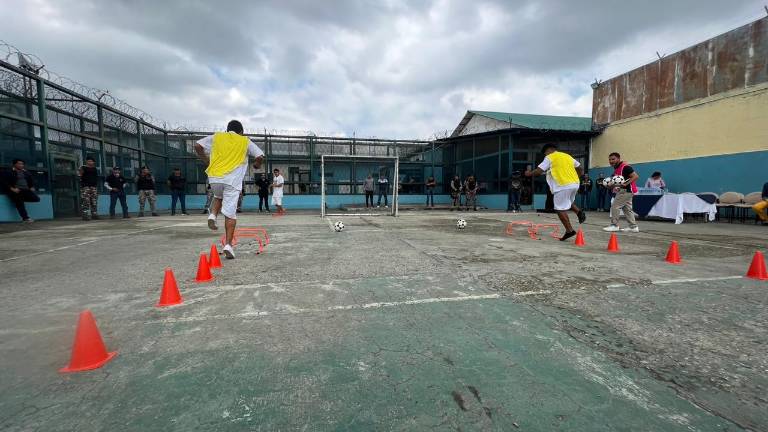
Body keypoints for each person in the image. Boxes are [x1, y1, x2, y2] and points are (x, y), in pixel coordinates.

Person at [195, 120, 264, 259]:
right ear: (241, 132)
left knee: (218, 196)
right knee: (230, 214)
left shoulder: (217, 137)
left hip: (214, 177)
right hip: (232, 181)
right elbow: (260, 156)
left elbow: (197, 145)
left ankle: (213, 215)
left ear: (227, 130)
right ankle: (228, 245)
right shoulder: (244, 141)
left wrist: (206, 160)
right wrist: (256, 165)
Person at [525, 143, 586, 241]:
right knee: (568, 202)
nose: (545, 155)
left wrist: (529, 173)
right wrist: (576, 177)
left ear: (548, 150)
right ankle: (579, 212)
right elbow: (580, 168)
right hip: (575, 184)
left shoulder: (550, 157)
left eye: (545, 153)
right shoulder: (567, 156)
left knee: (559, 209)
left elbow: (539, 171)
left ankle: (569, 230)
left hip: (562, 185)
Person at [603, 152, 640, 233]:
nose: (611, 161)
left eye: (613, 159)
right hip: (625, 191)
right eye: (609, 160)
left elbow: (635, 176)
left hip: (626, 191)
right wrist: (610, 186)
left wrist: (625, 184)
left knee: (615, 206)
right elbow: (617, 182)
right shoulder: (617, 168)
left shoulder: (625, 167)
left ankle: (614, 225)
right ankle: (633, 227)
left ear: (618, 159)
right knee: (627, 209)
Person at [1, 158, 40, 223]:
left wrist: (31, 186)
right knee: (20, 204)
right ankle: (25, 218)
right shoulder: (9, 172)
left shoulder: (25, 172)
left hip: (26, 190)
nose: (21, 165)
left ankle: (18, 200)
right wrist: (12, 188)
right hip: (17, 191)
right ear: (14, 164)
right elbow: (3, 182)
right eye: (19, 164)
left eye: (22, 164)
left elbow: (31, 180)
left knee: (36, 199)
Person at [78, 156, 99, 221]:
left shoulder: (95, 168)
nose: (90, 162)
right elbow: (79, 175)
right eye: (89, 161)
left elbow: (96, 177)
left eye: (91, 161)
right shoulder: (83, 167)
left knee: (94, 201)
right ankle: (85, 215)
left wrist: (95, 185)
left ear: (93, 162)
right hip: (85, 186)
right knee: (86, 201)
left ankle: (94, 214)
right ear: (86, 161)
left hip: (93, 187)